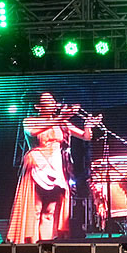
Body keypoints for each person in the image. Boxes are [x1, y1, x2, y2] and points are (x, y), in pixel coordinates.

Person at [7, 92, 101, 244]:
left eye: (53, 99)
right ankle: (32, 245)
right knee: (36, 209)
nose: (53, 102)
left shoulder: (62, 123)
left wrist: (88, 125)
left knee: (50, 210)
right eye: (48, 100)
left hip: (57, 166)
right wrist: (62, 116)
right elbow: (33, 132)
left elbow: (85, 136)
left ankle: (46, 244)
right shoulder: (30, 121)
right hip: (38, 163)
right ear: (38, 106)